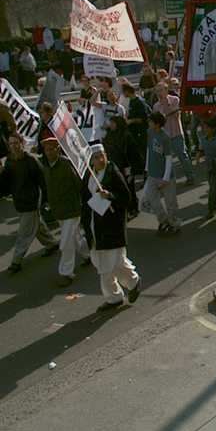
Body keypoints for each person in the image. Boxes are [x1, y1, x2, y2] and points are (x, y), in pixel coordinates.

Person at [81, 144, 141, 312]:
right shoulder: (89, 175)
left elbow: (126, 198)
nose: (100, 160)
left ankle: (125, 288)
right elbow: (85, 200)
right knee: (104, 263)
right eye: (95, 157)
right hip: (95, 226)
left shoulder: (113, 173)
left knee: (111, 264)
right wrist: (84, 222)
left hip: (111, 226)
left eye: (102, 155)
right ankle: (121, 290)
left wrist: (110, 196)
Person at [0, 132, 58, 273]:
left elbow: (42, 181)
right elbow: (6, 185)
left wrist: (46, 200)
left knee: (24, 233)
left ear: (22, 144)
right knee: (36, 225)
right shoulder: (9, 162)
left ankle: (16, 261)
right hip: (19, 201)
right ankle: (51, 244)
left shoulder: (31, 160)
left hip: (31, 201)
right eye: (11, 144)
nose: (13, 146)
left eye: (16, 143)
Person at [40, 137, 90, 286]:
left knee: (66, 241)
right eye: (47, 150)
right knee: (75, 237)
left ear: (58, 149)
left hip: (71, 208)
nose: (49, 152)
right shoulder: (45, 165)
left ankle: (66, 273)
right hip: (58, 209)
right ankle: (89, 254)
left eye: (52, 149)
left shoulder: (66, 164)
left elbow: (79, 184)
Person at [143, 111, 180, 234]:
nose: (149, 123)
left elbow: (168, 158)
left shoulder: (165, 137)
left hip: (165, 176)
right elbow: (148, 150)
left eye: (151, 121)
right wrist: (147, 168)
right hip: (152, 174)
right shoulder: (149, 132)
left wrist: (166, 178)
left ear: (157, 124)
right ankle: (163, 221)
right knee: (152, 199)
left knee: (171, 202)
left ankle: (174, 223)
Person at [153, 82, 194, 185]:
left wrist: (167, 104)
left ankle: (190, 177)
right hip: (164, 136)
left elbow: (176, 115)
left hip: (176, 133)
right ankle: (171, 181)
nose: (159, 93)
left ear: (166, 90)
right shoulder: (156, 106)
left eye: (161, 90)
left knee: (182, 156)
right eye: (157, 91)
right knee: (167, 160)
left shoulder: (175, 100)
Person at [103, 115, 142, 218]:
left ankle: (133, 208)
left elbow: (133, 154)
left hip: (125, 167)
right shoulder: (109, 135)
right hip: (114, 168)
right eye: (110, 123)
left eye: (113, 123)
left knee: (129, 189)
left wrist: (132, 171)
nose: (111, 125)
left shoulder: (126, 136)